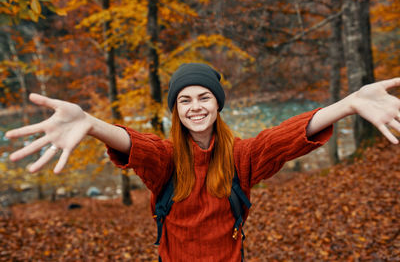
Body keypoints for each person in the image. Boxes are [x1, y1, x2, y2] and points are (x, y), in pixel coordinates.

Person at [5, 63, 400, 261]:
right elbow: (136, 145)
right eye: (184, 100)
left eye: (204, 97)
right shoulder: (166, 159)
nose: (195, 107)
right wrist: (92, 124)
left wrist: (348, 105)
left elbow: (284, 138)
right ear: (176, 110)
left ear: (218, 103)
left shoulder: (242, 157)